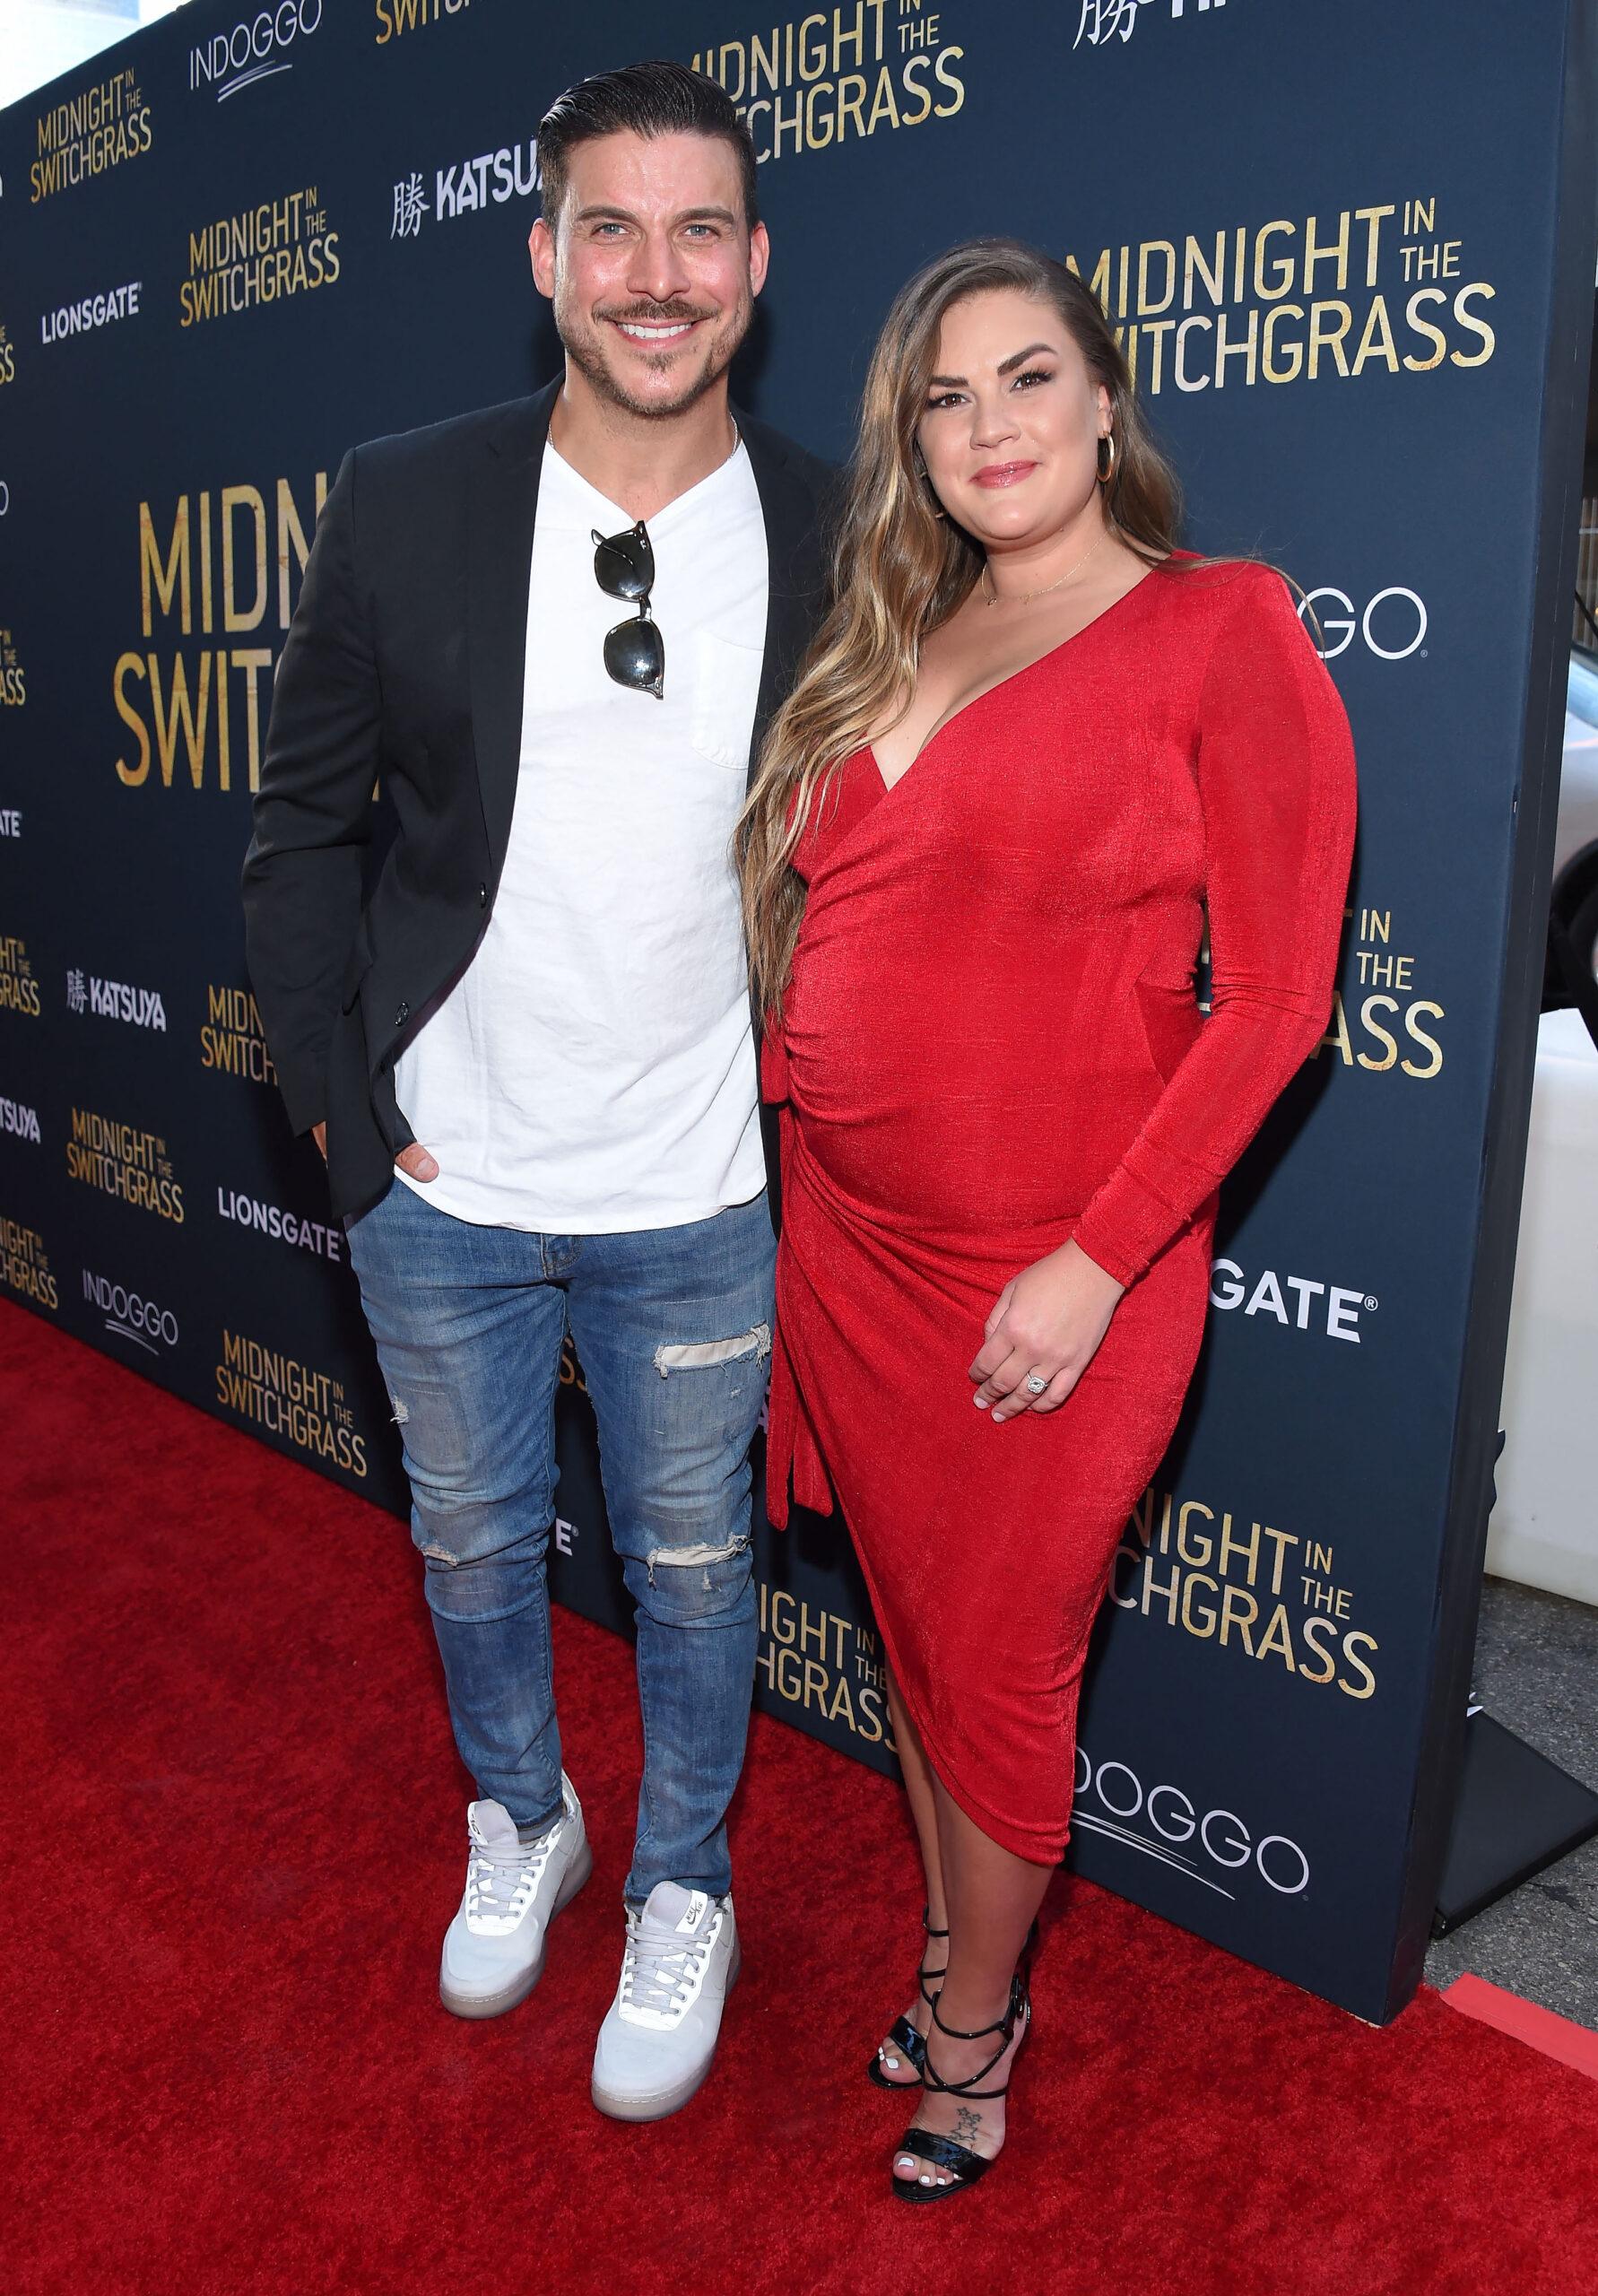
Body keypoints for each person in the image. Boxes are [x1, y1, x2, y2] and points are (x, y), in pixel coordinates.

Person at [242, 61, 831, 2124]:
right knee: (476, 1542)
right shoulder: (410, 492)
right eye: (610, 229)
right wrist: (339, 1107)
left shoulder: (848, 525)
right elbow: (302, 829)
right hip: (448, 1172)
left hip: (697, 1180)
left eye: (696, 234)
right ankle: (526, 1814)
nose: (651, 279)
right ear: (544, 258)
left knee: (691, 1561)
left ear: (753, 268)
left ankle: (684, 1875)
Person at [738, 238, 1357, 2200]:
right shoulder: (892, 643)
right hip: (849, 1252)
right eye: (945, 396)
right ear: (910, 444)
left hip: (1055, 1280)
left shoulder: (1220, 628)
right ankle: (950, 1955)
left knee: (998, 1664)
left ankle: (981, 2038)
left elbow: (1275, 1004)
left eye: (1027, 379)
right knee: (919, 1644)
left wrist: (1097, 1261)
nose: (987, 424)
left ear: (1107, 403)